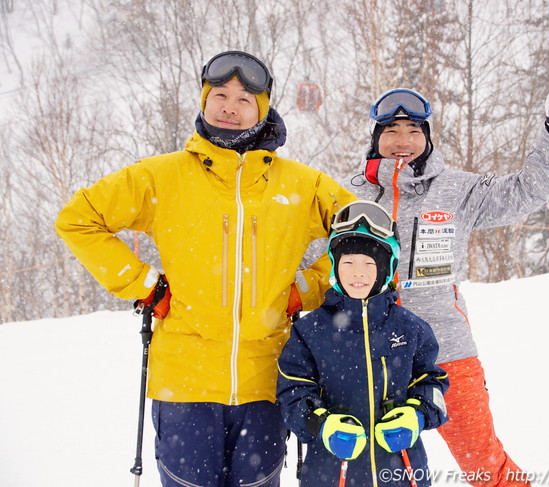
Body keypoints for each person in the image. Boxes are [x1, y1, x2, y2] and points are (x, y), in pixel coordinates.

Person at [54, 50, 356, 487]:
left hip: (266, 383)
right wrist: (145, 285)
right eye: (220, 95)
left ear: (263, 108)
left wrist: (307, 288)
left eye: (244, 99)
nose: (230, 107)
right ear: (204, 100)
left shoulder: (300, 184)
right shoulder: (162, 177)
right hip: (184, 387)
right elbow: (78, 219)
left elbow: (368, 234)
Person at [338, 87, 549, 486]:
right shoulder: (346, 194)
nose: (402, 141)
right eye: (391, 130)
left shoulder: (458, 188)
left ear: (428, 138)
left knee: (484, 464)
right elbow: (312, 258)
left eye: (413, 130)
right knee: (374, 472)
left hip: (446, 349)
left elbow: (527, 191)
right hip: (368, 356)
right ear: (375, 138)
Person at [277, 201, 449, 486]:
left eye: (370, 263)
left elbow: (433, 382)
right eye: (348, 263)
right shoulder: (310, 331)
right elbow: (292, 393)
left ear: (386, 268)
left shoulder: (410, 327)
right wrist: (321, 424)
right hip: (329, 472)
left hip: (401, 472)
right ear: (334, 266)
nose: (358, 273)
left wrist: (416, 415)